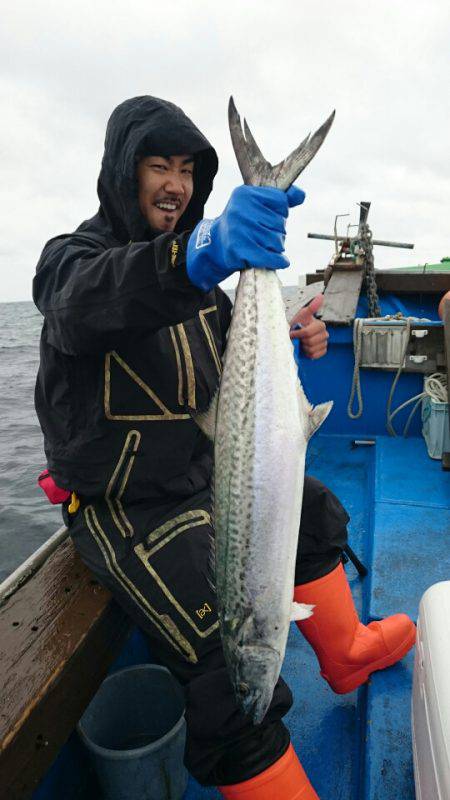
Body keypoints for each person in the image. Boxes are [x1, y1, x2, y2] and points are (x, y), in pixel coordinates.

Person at [33, 96, 415, 799]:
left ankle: (347, 652)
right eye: (158, 165)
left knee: (315, 510)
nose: (175, 183)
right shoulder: (73, 262)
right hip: (128, 508)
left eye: (187, 169)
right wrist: (202, 251)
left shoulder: (212, 294)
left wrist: (294, 333)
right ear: (123, 172)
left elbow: (239, 370)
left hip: (211, 469)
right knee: (219, 657)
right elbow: (86, 304)